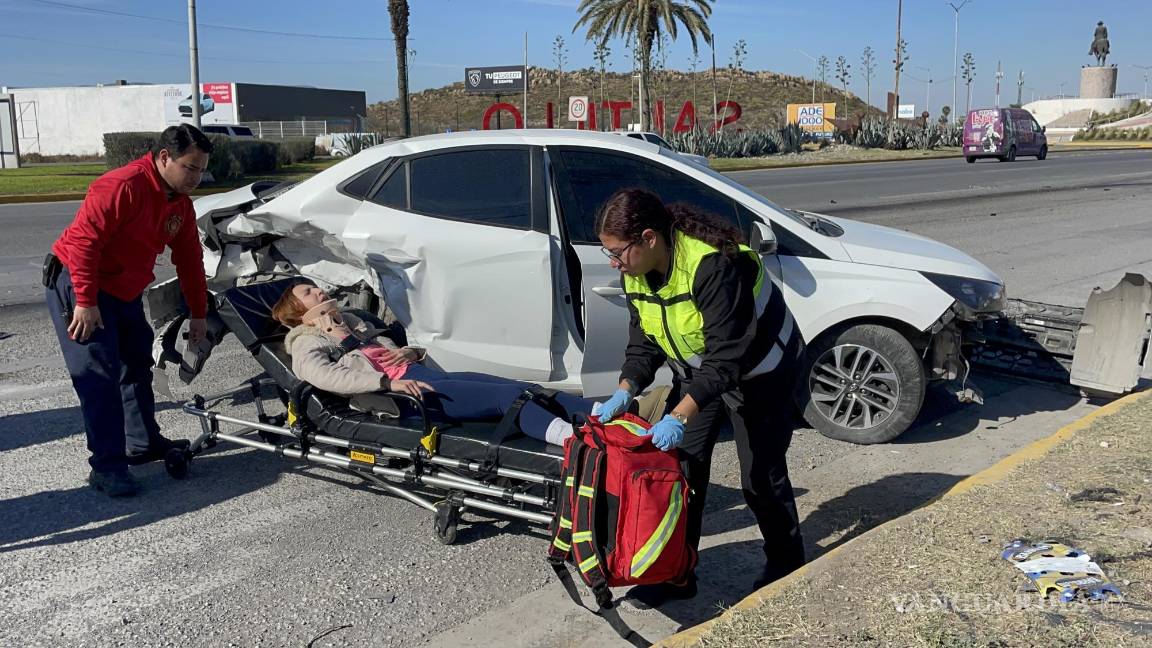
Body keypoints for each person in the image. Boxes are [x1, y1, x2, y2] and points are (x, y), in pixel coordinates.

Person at [594, 188, 806, 607]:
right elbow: (644, 345)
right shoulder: (634, 273)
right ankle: (676, 574)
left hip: (762, 371)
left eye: (618, 252)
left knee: (760, 476)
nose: (614, 263)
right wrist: (624, 391)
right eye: (609, 254)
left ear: (649, 238)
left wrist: (679, 414)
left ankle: (787, 566)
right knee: (682, 472)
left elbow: (727, 359)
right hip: (700, 372)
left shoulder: (715, 265)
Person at [45, 124, 214, 498]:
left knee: (137, 363)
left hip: (122, 288)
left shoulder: (180, 205)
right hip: (81, 281)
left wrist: (198, 314)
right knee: (98, 375)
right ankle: (106, 467)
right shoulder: (122, 186)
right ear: (164, 158)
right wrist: (86, 302)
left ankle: (142, 443)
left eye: (202, 170)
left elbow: (189, 260)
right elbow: (86, 243)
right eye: (190, 168)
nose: (196, 178)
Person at [272, 282, 592, 445]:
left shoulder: (351, 320)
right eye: (309, 292)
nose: (319, 290)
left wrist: (410, 353)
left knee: (524, 388)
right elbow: (325, 376)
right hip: (408, 398)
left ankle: (605, 413)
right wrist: (387, 384)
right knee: (508, 400)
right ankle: (575, 442)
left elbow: (388, 353)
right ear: (300, 312)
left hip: (420, 374)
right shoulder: (305, 342)